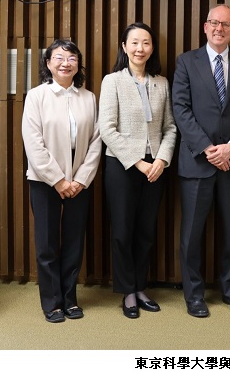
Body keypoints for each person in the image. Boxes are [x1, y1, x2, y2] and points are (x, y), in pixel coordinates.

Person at [172, 4, 230, 318]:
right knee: (192, 233)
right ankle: (194, 295)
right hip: (198, 162)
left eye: (226, 24)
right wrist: (210, 149)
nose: (219, 29)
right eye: (214, 22)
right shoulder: (186, 61)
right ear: (204, 26)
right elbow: (180, 109)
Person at [98, 22, 177, 319]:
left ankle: (140, 286)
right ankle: (127, 290)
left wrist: (162, 160)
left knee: (146, 230)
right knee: (122, 230)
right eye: (134, 42)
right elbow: (107, 128)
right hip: (122, 166)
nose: (139, 48)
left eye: (145, 43)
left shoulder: (162, 83)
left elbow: (170, 127)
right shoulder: (112, 81)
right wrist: (138, 161)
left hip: (156, 168)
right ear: (124, 46)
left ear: (152, 47)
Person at [21, 39, 102, 323]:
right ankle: (51, 302)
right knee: (46, 243)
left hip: (79, 182)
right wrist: (58, 180)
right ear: (48, 63)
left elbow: (96, 142)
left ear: (78, 64)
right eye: (58, 58)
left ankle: (70, 299)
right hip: (45, 181)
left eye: (71, 58)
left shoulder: (89, 98)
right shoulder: (36, 96)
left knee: (73, 242)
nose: (65, 63)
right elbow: (33, 143)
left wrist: (79, 180)